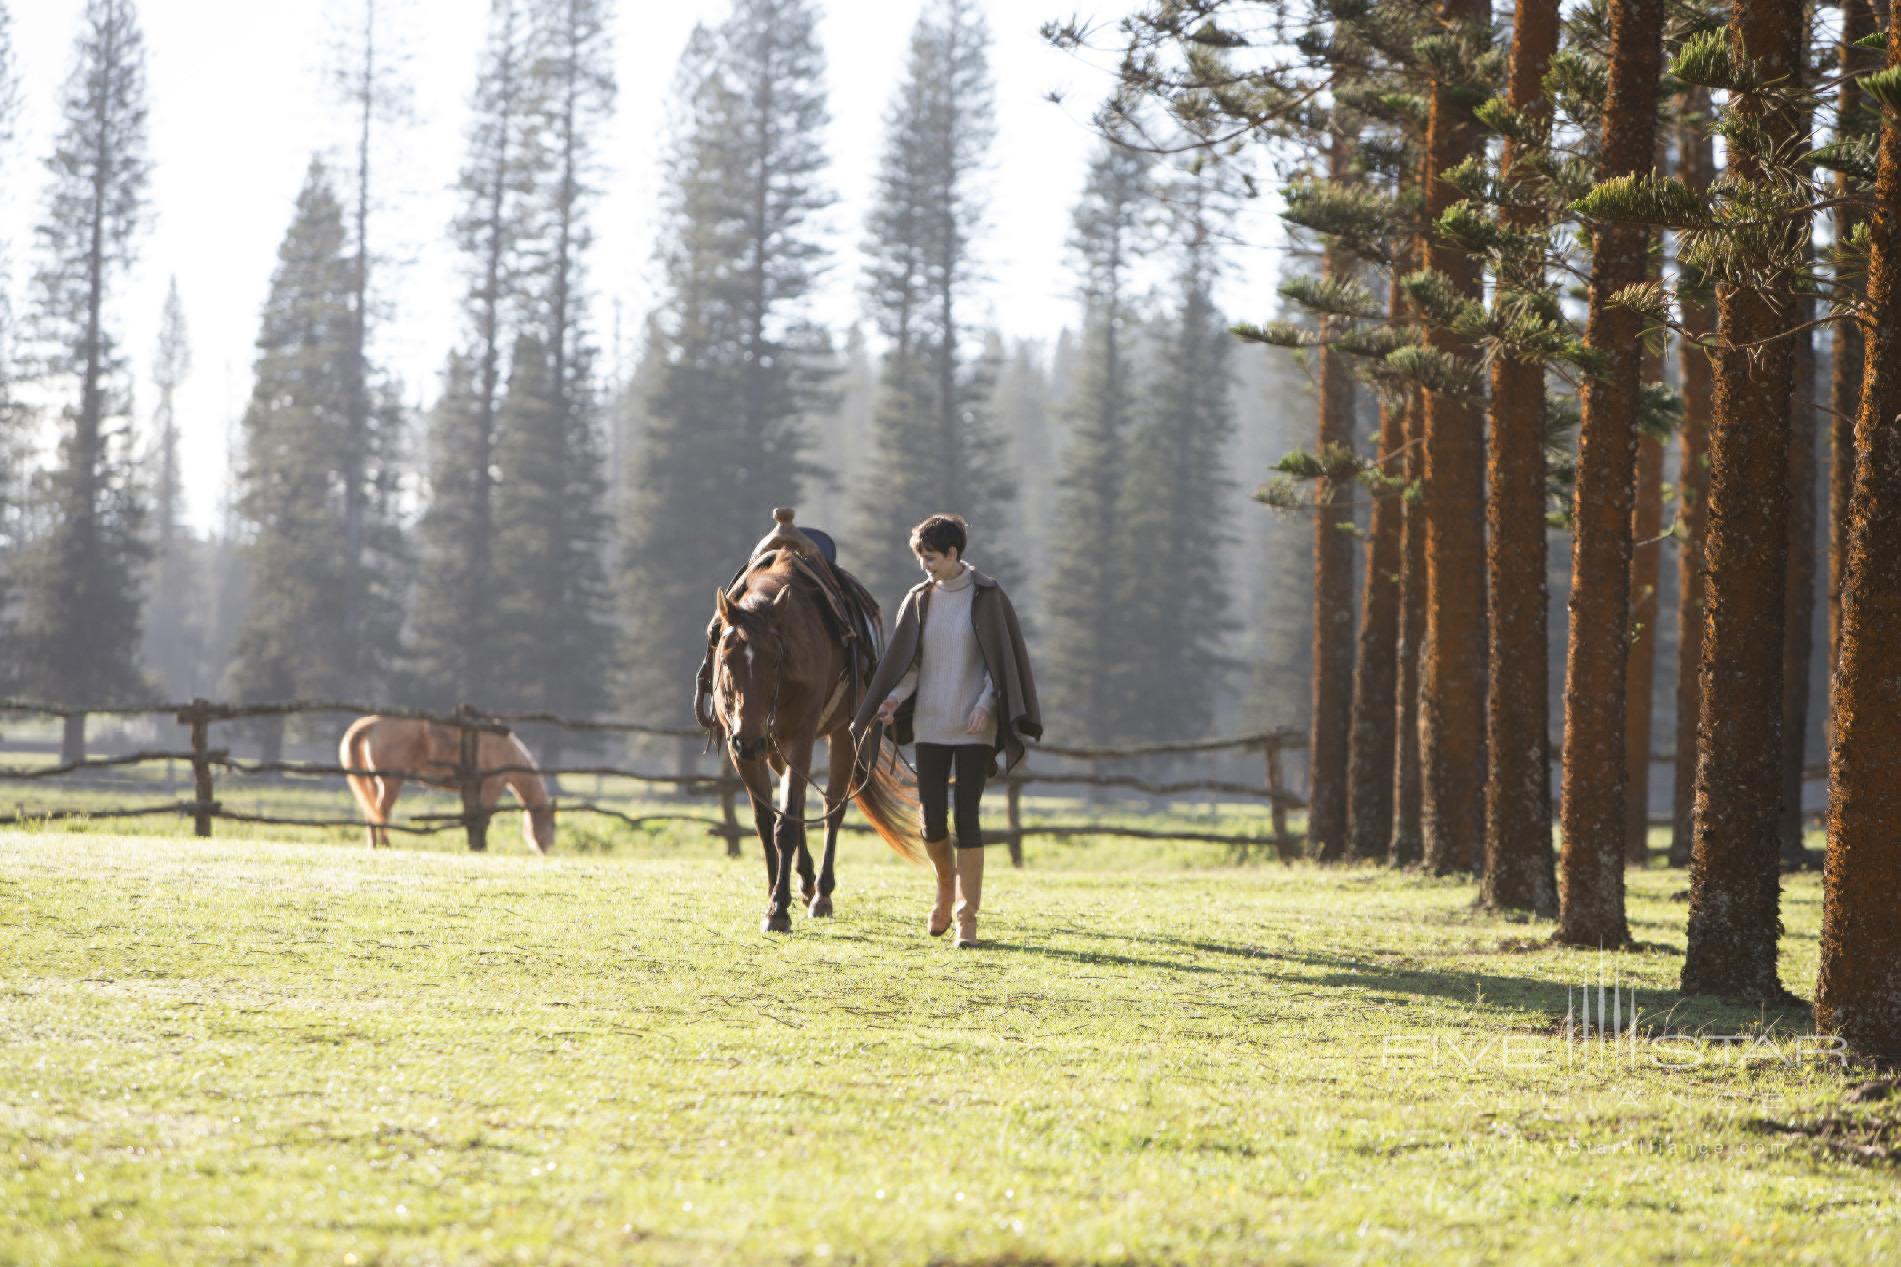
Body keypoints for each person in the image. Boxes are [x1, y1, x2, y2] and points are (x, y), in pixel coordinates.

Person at [852, 514, 1040, 947]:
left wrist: (984, 706)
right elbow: (911, 666)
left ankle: (966, 918)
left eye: (931, 558)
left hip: (974, 726)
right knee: (933, 819)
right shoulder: (919, 600)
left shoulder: (988, 598)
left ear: (954, 554)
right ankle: (944, 886)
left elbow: (1001, 666)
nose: (926, 567)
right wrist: (893, 699)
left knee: (968, 819)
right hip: (931, 725)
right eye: (922, 558)